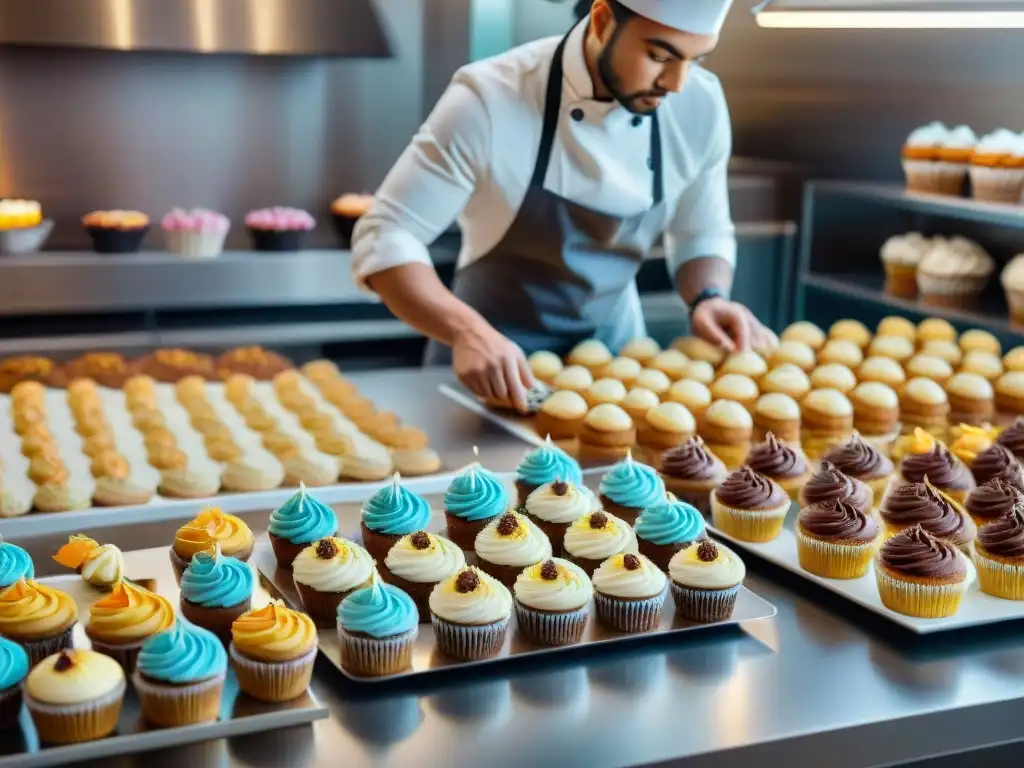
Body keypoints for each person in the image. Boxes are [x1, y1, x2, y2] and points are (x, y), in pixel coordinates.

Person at [351, 0, 774, 411]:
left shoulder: (699, 104)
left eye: (696, 60)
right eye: (659, 55)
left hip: (616, 374)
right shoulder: (490, 98)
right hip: (488, 369)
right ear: (603, 19)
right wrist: (465, 332)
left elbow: (701, 230)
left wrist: (709, 297)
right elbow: (386, 233)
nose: (676, 83)